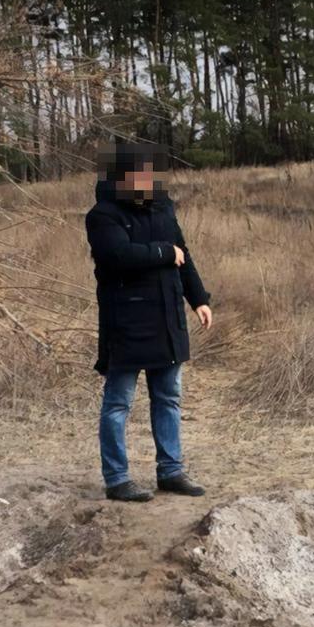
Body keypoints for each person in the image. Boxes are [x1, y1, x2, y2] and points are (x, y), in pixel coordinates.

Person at [86, 140, 214, 502]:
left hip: (167, 317)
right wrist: (163, 252)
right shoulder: (102, 215)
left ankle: (171, 471)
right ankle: (117, 479)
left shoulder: (163, 208)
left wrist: (199, 299)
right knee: (118, 403)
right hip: (126, 322)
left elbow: (183, 256)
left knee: (169, 398)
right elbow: (117, 256)